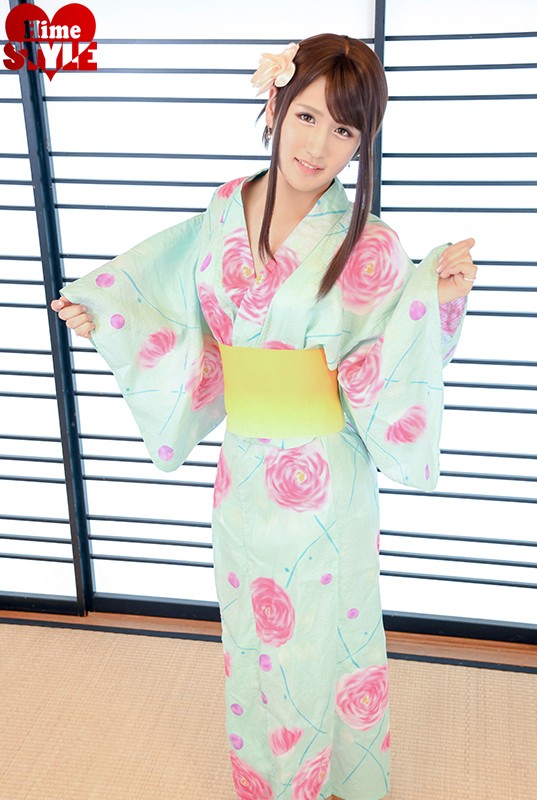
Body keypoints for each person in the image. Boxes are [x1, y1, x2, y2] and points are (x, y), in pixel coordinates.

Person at [50, 33, 476, 800]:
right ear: (274, 104)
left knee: (321, 633)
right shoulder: (224, 208)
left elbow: (388, 355)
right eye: (307, 116)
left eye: (343, 130)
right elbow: (168, 294)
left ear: (362, 142)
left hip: (324, 477)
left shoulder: (371, 244)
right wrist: (110, 317)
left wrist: (434, 298)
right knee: (254, 634)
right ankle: (273, 781)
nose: (318, 146)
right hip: (244, 466)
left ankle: (335, 778)